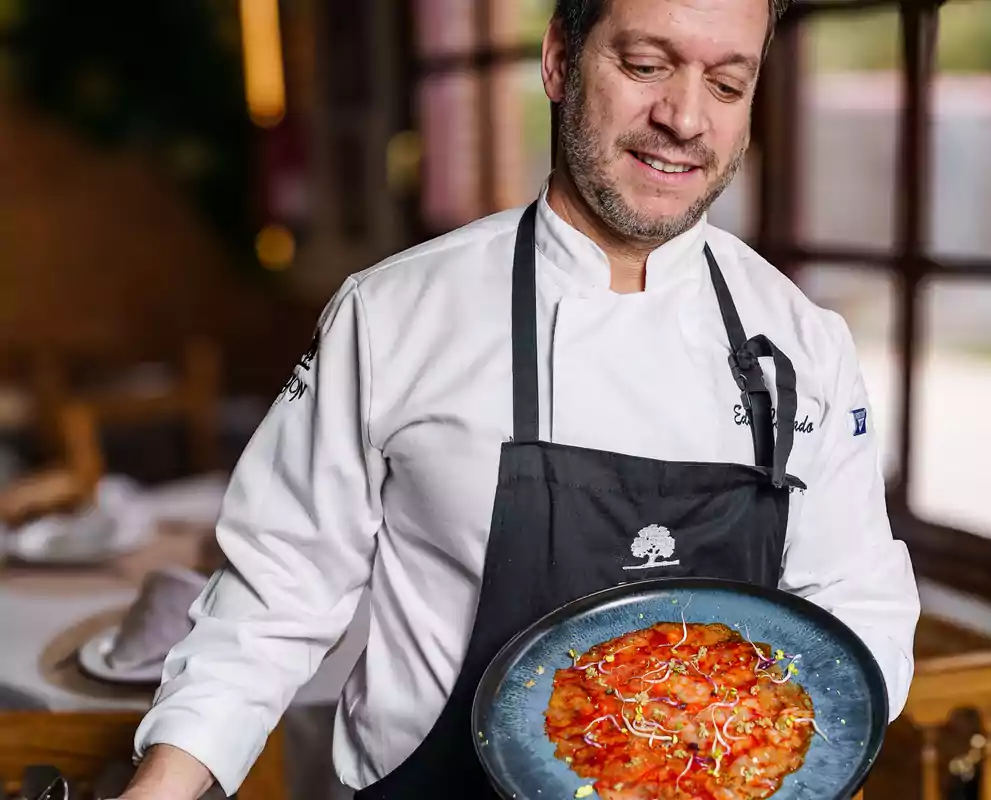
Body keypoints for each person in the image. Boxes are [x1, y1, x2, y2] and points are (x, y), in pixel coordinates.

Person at [119, 0, 920, 797]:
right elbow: (274, 593)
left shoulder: (805, 345)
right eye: (646, 66)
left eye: (726, 84)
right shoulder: (393, 315)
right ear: (559, 62)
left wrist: (785, 764)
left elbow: (853, 609)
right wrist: (161, 788)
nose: (684, 117)